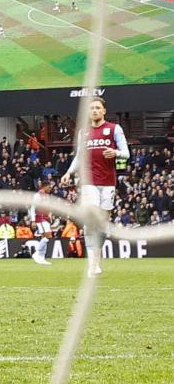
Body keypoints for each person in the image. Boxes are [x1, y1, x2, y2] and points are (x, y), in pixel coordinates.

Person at [61, 96, 128, 276]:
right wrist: (68, 172)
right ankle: (91, 264)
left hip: (108, 183)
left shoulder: (114, 129)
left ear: (104, 111)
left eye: (98, 108)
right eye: (92, 108)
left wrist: (115, 152)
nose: (95, 111)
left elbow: (126, 154)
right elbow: (79, 157)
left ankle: (96, 262)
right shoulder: (85, 132)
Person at [28, 182, 55, 265]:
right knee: (48, 236)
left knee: (45, 238)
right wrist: (33, 220)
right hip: (41, 218)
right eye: (49, 187)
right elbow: (32, 207)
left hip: (46, 218)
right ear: (44, 186)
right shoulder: (38, 195)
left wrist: (50, 215)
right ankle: (36, 254)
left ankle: (41, 258)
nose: (50, 189)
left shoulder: (47, 196)